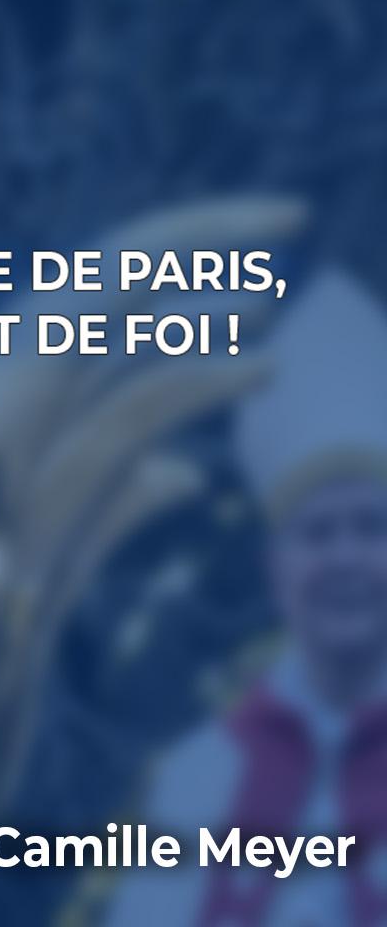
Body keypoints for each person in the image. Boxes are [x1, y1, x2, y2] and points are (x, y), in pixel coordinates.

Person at [106, 270, 387, 925]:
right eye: (317, 533)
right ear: (276, 571)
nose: (345, 557)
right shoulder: (201, 776)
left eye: (371, 529)